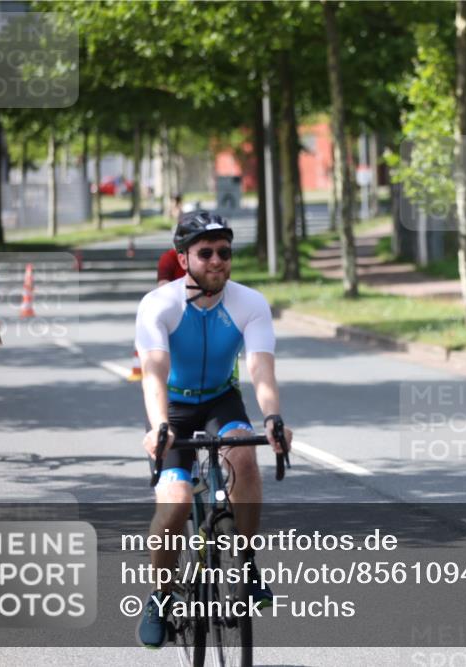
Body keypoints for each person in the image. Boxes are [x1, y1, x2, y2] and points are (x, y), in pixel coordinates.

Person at [134, 210, 292, 647]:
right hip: (175, 407)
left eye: (224, 252)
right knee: (176, 505)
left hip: (222, 399)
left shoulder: (249, 302)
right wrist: (159, 425)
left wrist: (273, 417)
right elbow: (154, 371)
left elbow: (260, 368)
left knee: (243, 452)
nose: (218, 260)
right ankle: (161, 596)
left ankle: (245, 562)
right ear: (183, 258)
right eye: (206, 253)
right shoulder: (159, 305)